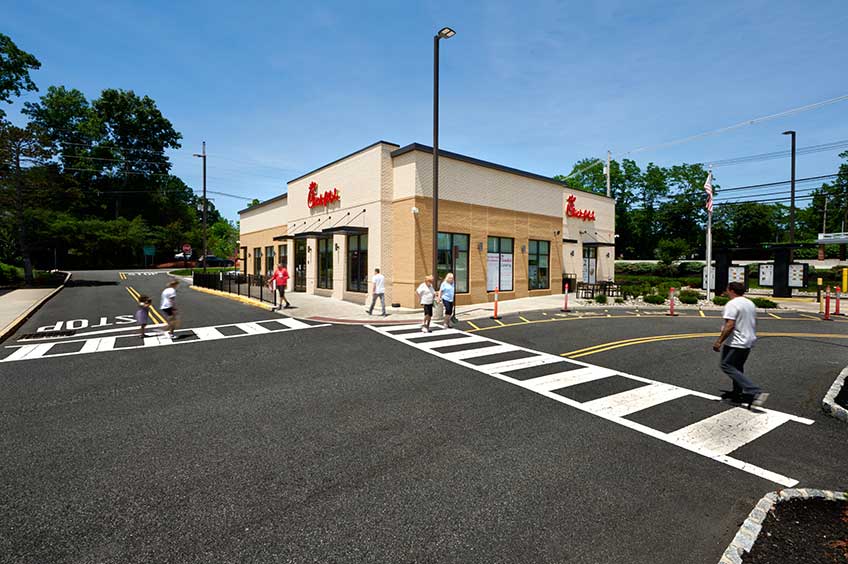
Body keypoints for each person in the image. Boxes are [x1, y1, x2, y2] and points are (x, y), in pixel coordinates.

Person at [712, 282, 768, 408]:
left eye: (727, 289)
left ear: (731, 290)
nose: (726, 291)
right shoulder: (749, 303)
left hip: (736, 341)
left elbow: (730, 325)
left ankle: (754, 390)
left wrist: (719, 341)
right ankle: (737, 394)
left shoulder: (732, 304)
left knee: (726, 365)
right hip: (748, 340)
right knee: (737, 367)